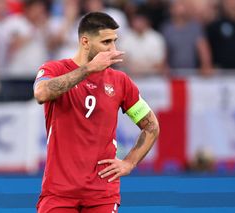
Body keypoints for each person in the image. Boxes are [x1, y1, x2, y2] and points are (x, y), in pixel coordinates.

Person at [34, 12, 160, 213]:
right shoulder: (54, 69)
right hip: (59, 191)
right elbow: (41, 93)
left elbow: (151, 126)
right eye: (106, 42)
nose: (114, 50)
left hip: (102, 193)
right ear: (85, 42)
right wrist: (88, 70)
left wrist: (129, 163)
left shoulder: (120, 82)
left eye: (115, 41)